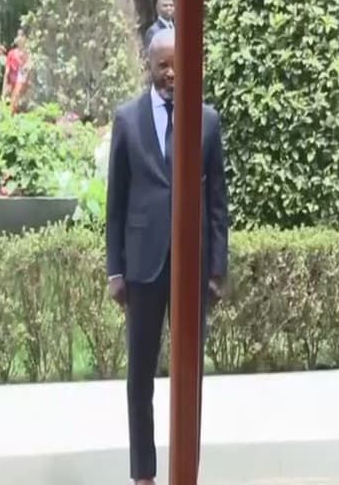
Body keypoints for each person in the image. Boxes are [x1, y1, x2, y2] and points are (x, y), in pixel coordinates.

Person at [105, 28, 229, 485]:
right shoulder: (127, 120)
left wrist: (217, 267)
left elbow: (218, 203)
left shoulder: (207, 121)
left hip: (191, 268)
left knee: (189, 377)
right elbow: (115, 203)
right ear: (149, 66)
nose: (172, 73)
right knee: (140, 377)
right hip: (142, 266)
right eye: (164, 65)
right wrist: (114, 269)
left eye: (179, 64)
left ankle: (186, 469)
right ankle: (143, 474)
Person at [1, 29, 30, 114]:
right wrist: (4, 91)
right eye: (18, 35)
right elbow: (7, 73)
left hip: (23, 89)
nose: (20, 38)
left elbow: (28, 73)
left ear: (26, 39)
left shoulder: (28, 54)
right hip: (12, 88)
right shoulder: (11, 54)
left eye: (22, 35)